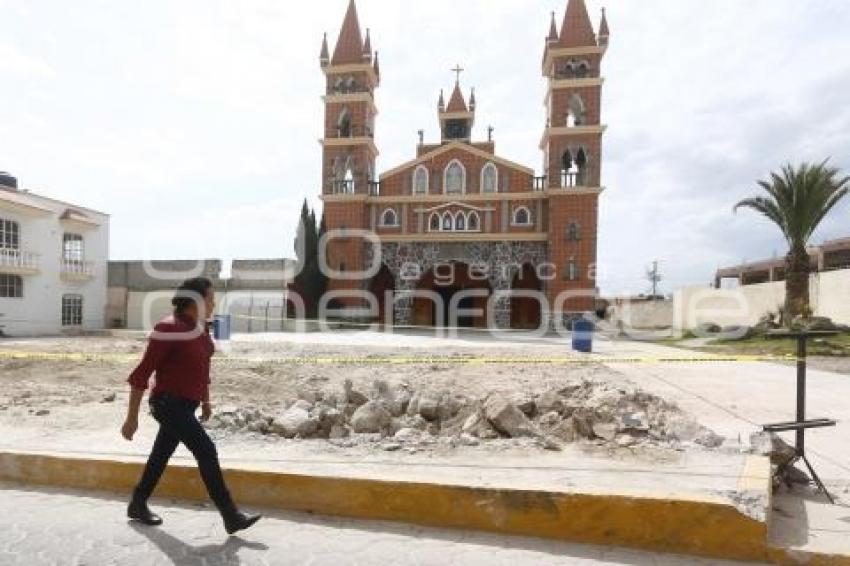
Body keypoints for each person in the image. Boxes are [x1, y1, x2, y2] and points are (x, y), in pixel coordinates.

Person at [121, 277, 260, 535]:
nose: (213, 303)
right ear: (195, 300)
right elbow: (141, 375)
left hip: (186, 406)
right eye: (209, 298)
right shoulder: (167, 328)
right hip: (167, 404)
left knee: (160, 456)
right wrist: (132, 418)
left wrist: (205, 401)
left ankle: (138, 504)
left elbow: (202, 369)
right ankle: (231, 516)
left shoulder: (200, 330)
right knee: (206, 451)